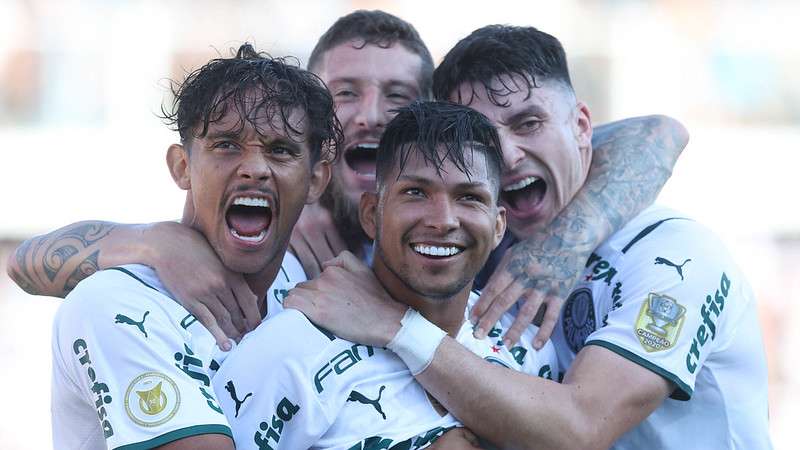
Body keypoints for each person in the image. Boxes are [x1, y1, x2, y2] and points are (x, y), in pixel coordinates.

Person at [5, 10, 688, 352]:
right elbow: (29, 262)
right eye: (346, 92)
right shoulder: (264, 215)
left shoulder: (474, 225)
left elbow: (657, 133)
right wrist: (156, 243)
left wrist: (562, 245)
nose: (371, 116)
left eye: (397, 96)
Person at [285, 25, 772, 449]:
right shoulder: (481, 237)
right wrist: (301, 197)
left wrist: (393, 324)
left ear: (582, 124)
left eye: (529, 123)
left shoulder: (676, 259)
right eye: (482, 138)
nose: (509, 155)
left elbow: (580, 431)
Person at [211, 100, 558, 449]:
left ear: (498, 226)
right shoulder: (288, 351)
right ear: (371, 213)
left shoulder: (527, 349)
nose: (443, 220)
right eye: (416, 193)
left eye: (469, 197)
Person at [49, 44, 338, 449]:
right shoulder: (116, 304)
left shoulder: (304, 281)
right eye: (226, 145)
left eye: (280, 150)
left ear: (316, 181)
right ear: (181, 167)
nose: (255, 168)